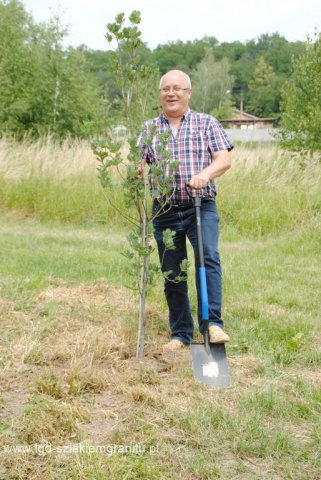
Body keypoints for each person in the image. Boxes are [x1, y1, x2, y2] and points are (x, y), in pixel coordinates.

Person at [139, 70, 233, 352]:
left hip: (200, 206)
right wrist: (134, 171)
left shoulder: (206, 123)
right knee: (172, 271)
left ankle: (212, 324)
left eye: (177, 88)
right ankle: (180, 333)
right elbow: (138, 162)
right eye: (165, 88)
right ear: (160, 94)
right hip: (164, 209)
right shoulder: (149, 129)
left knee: (208, 258)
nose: (171, 93)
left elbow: (224, 159)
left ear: (188, 93)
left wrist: (205, 174)